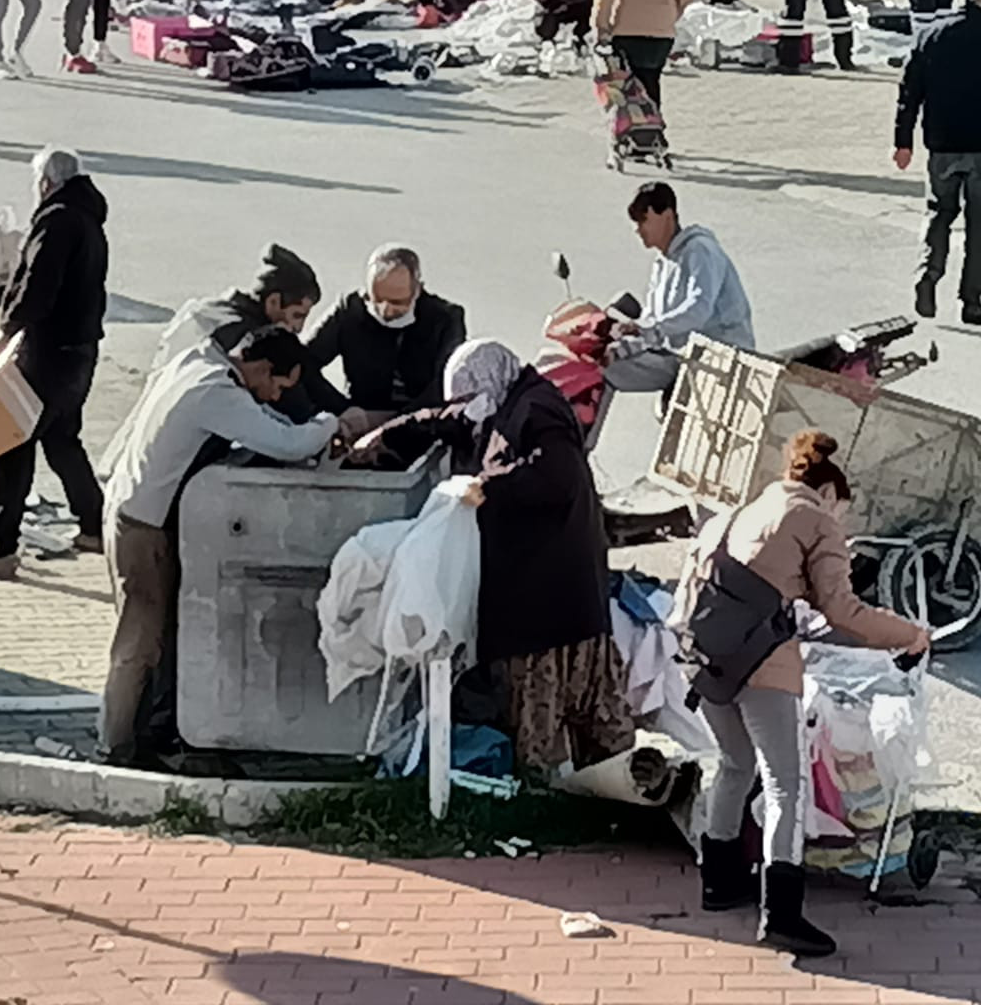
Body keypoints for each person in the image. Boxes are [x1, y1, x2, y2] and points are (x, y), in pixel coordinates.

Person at [677, 430, 928, 959]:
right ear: (830, 494)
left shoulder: (734, 515)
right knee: (786, 785)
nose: (843, 522)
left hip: (706, 660)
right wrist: (910, 635)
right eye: (845, 511)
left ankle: (719, 883)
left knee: (733, 763)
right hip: (765, 665)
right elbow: (843, 611)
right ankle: (782, 915)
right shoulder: (815, 520)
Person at [353, 340, 633, 776]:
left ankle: (597, 794)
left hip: (550, 598)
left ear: (488, 379)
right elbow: (448, 418)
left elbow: (558, 479)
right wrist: (387, 434)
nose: (466, 407)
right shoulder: (502, 401)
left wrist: (489, 486)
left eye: (468, 395)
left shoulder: (538, 412)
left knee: (563, 712)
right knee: (560, 718)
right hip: (548, 596)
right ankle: (586, 794)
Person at [100, 327, 344, 766]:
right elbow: (287, 443)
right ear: (262, 367)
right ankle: (117, 747)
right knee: (141, 640)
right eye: (277, 385)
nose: (273, 396)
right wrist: (333, 423)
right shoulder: (216, 394)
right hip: (143, 526)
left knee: (155, 635)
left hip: (129, 506)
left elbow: (267, 422)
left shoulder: (197, 362)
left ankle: (143, 737)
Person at [0, 147, 109, 580]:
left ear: (45, 183)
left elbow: (39, 286)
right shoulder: (89, 221)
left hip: (48, 351)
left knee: (8, 440)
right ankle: (95, 525)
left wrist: (7, 327)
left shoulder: (56, 219)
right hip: (81, 351)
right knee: (61, 438)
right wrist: (5, 292)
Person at [607, 182, 754, 393]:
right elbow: (652, 321)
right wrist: (626, 339)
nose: (637, 229)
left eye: (644, 220)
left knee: (611, 370)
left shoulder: (700, 251)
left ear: (667, 215)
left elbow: (697, 310)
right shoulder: (661, 263)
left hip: (721, 361)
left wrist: (650, 329)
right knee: (605, 365)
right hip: (684, 357)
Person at [303, 244, 468, 427]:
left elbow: (447, 385)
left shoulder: (445, 319)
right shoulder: (350, 309)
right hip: (359, 417)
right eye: (377, 299)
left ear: (417, 289)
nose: (386, 310)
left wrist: (392, 423)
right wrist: (342, 409)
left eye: (398, 302)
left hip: (422, 424)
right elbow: (302, 362)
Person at [896, 0, 981, 324]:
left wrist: (902, 141)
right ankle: (972, 301)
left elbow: (909, 92)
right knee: (979, 225)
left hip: (942, 145)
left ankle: (927, 276)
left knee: (939, 212)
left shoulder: (930, 35)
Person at [156, 244, 322, 364]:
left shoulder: (212, 310)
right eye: (297, 315)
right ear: (273, 302)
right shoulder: (244, 336)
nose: (299, 328)